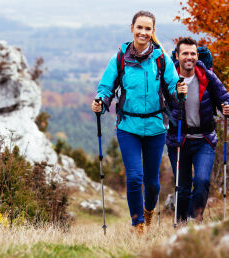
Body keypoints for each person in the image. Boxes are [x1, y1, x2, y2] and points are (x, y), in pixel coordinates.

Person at [91, 11, 187, 233]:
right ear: (132, 28)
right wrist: (100, 103)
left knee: (152, 184)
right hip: (128, 127)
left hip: (155, 127)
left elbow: (173, 87)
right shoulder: (120, 59)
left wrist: (179, 90)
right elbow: (106, 88)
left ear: (153, 32)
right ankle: (137, 225)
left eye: (148, 29)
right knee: (135, 177)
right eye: (140, 28)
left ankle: (148, 212)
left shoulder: (161, 58)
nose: (143, 32)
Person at [166, 37, 229, 223]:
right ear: (178, 56)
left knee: (202, 182)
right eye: (185, 54)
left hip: (204, 139)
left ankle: (195, 221)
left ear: (197, 56)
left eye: (193, 53)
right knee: (182, 188)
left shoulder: (207, 76)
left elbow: (225, 98)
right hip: (178, 140)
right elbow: (161, 104)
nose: (189, 57)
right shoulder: (170, 78)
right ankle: (181, 224)